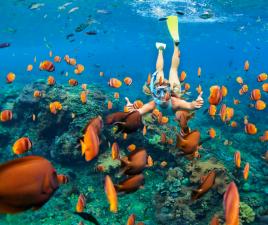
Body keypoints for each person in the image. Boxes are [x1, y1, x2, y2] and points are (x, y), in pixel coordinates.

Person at [106, 15, 204, 135]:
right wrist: (132, 111)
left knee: (163, 71)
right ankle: (174, 45)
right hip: (175, 90)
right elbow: (139, 112)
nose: (162, 96)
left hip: (175, 92)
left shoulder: (171, 102)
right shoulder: (162, 103)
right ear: (154, 93)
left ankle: (163, 49)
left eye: (164, 92)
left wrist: (196, 104)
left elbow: (190, 105)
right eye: (159, 92)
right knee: (173, 70)